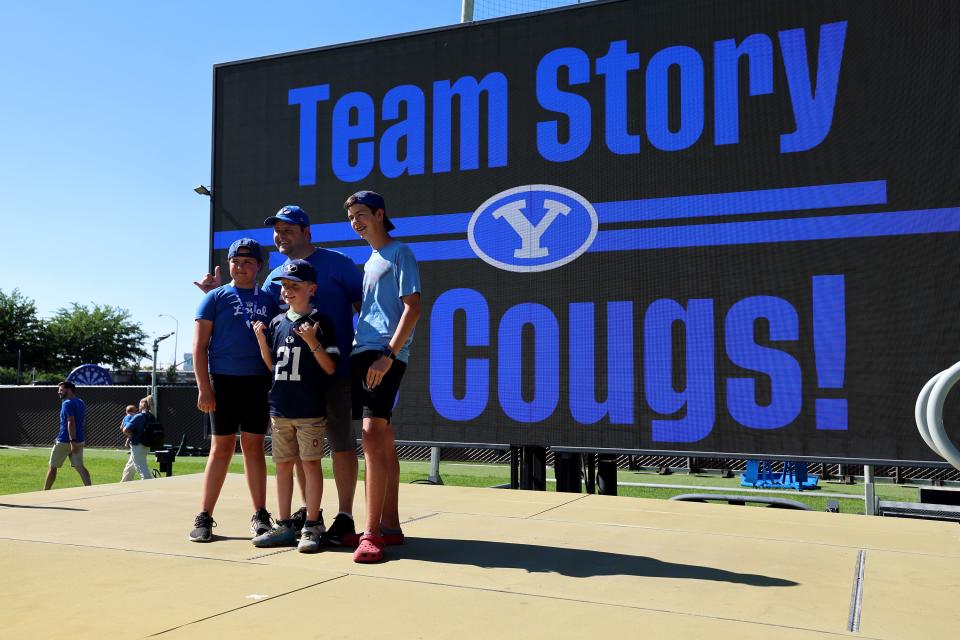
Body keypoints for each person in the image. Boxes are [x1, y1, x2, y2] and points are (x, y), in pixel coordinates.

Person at [195, 204, 363, 546]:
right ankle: (301, 516)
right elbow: (253, 316)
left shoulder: (340, 264)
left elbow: (366, 307)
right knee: (295, 454)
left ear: (306, 232)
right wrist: (213, 295)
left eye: (289, 229)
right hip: (290, 382)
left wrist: (368, 351)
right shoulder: (273, 279)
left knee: (341, 445)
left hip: (333, 371)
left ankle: (343, 516)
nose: (281, 235)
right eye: (277, 230)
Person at [344, 190, 421, 563]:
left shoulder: (399, 252)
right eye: (351, 217)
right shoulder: (370, 260)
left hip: (383, 355)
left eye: (361, 214)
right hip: (362, 352)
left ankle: (371, 533)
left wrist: (389, 355)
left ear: (379, 213)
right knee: (383, 437)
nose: (356, 222)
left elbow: (413, 308)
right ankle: (390, 526)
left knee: (372, 433)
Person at [189, 238, 280, 542]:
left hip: (257, 382)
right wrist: (204, 388)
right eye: (235, 262)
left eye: (248, 262)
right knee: (221, 448)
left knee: (254, 447)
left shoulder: (268, 299)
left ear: (259, 266)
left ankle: (260, 515)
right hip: (223, 381)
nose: (241, 267)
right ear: (228, 264)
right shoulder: (214, 298)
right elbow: (199, 347)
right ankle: (204, 516)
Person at [251, 259, 339, 553]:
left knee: (311, 464)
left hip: (309, 409)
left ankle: (312, 524)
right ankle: (285, 524)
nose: (288, 291)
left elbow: (329, 367)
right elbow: (272, 365)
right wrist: (262, 341)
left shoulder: (322, 322)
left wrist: (312, 341)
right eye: (285, 286)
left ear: (311, 289)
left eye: (295, 286)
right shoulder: (277, 322)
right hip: (280, 408)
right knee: (283, 466)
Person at [44, 381, 92, 490]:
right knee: (80, 466)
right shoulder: (81, 402)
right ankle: (90, 489)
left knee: (52, 467)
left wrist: (72, 441)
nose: (59, 392)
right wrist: (76, 440)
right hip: (79, 440)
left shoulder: (67, 403)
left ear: (69, 390)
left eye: (61, 390)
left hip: (66, 441)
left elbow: (71, 422)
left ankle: (45, 492)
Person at [120, 396, 154, 482]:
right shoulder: (151, 416)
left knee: (141, 467)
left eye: (139, 404)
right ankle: (124, 484)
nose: (137, 407)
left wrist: (130, 434)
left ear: (143, 405)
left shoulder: (139, 416)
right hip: (146, 445)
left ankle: (150, 486)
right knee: (130, 467)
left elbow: (125, 429)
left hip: (137, 445)